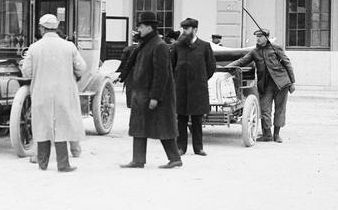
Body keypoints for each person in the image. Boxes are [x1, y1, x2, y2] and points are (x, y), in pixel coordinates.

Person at [20, 14, 85, 172]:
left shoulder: (34, 48)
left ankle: (43, 163)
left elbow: (26, 72)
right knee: (62, 126)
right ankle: (63, 164)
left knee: (42, 126)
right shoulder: (68, 46)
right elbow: (81, 67)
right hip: (64, 92)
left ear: (42, 29)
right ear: (57, 28)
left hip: (42, 92)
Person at [120, 11, 182, 169]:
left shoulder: (159, 46)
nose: (138, 29)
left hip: (155, 95)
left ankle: (175, 158)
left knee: (163, 126)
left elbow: (162, 74)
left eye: (140, 26)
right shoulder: (147, 43)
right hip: (142, 94)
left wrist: (155, 97)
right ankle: (138, 160)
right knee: (139, 126)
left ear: (149, 27)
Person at [227, 28, 296, 143]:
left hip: (281, 83)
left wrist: (292, 82)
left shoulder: (276, 48)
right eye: (257, 37)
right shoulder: (255, 52)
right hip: (265, 85)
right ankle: (267, 135)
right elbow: (242, 61)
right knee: (265, 110)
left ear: (266, 37)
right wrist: (227, 67)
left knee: (280, 110)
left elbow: (287, 63)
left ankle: (277, 135)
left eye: (260, 36)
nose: (258, 39)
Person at [171, 18, 216, 156]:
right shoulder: (178, 46)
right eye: (183, 28)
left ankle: (198, 148)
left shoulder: (204, 46)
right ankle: (181, 147)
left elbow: (211, 67)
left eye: (187, 29)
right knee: (181, 119)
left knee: (197, 119)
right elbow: (171, 66)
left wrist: (200, 79)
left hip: (198, 89)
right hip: (181, 88)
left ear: (195, 30)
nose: (184, 31)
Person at [116, 31, 141, 108]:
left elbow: (123, 61)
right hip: (139, 69)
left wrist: (122, 72)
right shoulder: (142, 49)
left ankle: (129, 103)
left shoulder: (127, 49)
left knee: (129, 87)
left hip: (129, 70)